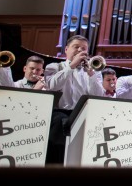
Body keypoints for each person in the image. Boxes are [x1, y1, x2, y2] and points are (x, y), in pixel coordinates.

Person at [44, 34, 105, 164]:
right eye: (76, 47)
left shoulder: (93, 71)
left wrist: (91, 75)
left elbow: (99, 95)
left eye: (83, 48)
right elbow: (52, 86)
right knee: (60, 122)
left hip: (83, 113)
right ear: (66, 49)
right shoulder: (54, 67)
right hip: (60, 112)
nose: (79, 50)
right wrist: (71, 66)